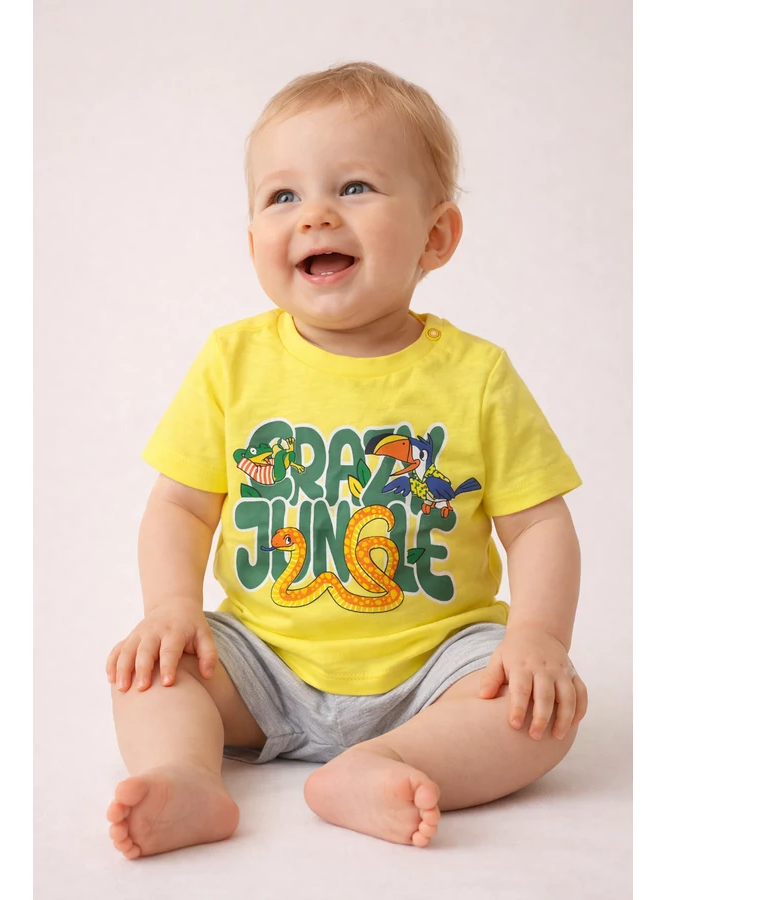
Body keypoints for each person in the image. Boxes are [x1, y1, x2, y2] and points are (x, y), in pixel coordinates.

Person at [105, 60, 589, 859]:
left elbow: (539, 525)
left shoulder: (476, 376)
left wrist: (538, 637)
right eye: (282, 196)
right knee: (150, 672)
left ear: (436, 235)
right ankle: (185, 776)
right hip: (262, 663)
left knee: (540, 715)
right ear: (253, 241)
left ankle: (387, 763)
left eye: (355, 187)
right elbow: (181, 505)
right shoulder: (231, 362)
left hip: (434, 669)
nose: (316, 215)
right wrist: (171, 608)